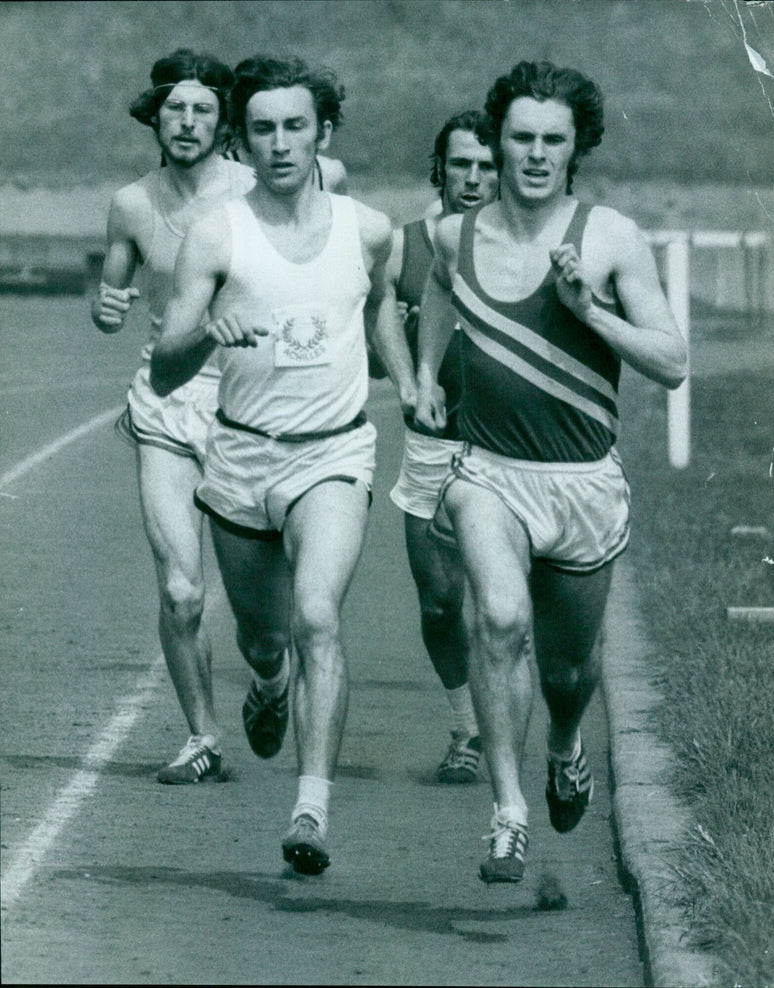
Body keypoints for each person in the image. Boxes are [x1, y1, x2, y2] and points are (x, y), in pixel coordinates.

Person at [415, 60, 687, 884]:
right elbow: (436, 288)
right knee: (496, 619)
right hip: (488, 473)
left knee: (570, 670)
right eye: (520, 138)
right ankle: (507, 814)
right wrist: (427, 374)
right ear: (497, 142)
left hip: (582, 484)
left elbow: (672, 361)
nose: (534, 155)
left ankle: (566, 750)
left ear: (577, 149)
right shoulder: (452, 234)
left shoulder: (609, 237)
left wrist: (590, 313)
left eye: (552, 141)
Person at [150, 55, 393, 877]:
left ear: (323, 132)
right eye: (261, 128)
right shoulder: (216, 235)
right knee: (264, 637)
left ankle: (310, 810)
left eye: (295, 126)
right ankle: (269, 678)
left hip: (333, 453)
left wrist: (410, 370)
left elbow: (382, 296)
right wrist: (200, 339)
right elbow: (163, 371)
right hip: (242, 457)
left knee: (317, 614)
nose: (280, 143)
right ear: (239, 139)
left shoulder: (368, 227)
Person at [90, 50, 348, 787]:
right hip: (168, 398)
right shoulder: (131, 204)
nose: (189, 121)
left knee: (266, 634)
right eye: (177, 109)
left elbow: (334, 205)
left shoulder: (258, 188)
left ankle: (268, 681)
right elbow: (113, 297)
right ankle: (202, 736)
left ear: (223, 123)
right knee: (180, 587)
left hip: (250, 405)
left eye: (204, 110)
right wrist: (108, 310)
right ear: (156, 117)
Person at [378, 112, 498, 783]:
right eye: (461, 165)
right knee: (440, 603)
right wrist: (404, 377)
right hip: (433, 445)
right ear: (440, 168)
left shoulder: (518, 243)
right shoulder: (407, 244)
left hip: (510, 448)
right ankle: (466, 727)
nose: (474, 178)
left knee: (504, 604)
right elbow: (377, 316)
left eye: (485, 165)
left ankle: (498, 735)